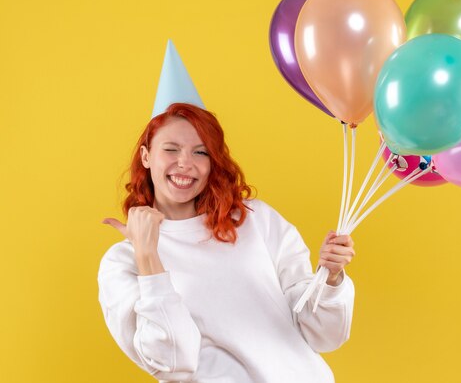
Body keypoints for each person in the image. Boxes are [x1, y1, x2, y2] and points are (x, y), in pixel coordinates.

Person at [97, 41, 356, 383]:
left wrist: (331, 277)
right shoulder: (123, 263)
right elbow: (173, 360)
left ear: (212, 162)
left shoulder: (254, 220)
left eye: (200, 152)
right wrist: (148, 257)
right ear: (146, 156)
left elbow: (322, 334)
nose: (185, 164)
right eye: (170, 149)